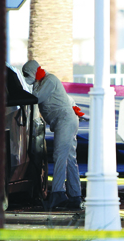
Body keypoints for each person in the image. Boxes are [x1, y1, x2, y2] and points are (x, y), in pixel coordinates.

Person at [22, 60, 84, 211]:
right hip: (64, 122)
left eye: (26, 74)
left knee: (59, 156)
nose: (26, 77)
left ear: (33, 71)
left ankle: (58, 194)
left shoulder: (49, 80)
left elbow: (36, 98)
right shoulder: (42, 82)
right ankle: (75, 196)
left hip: (65, 121)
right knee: (69, 159)